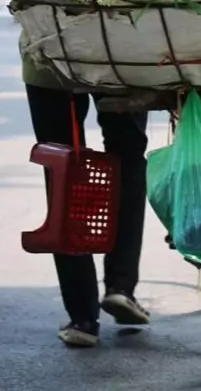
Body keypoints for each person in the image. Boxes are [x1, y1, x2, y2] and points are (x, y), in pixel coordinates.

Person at [25, 72, 151, 348]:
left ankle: (82, 318)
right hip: (122, 62)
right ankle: (120, 286)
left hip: (51, 64)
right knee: (128, 157)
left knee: (62, 162)